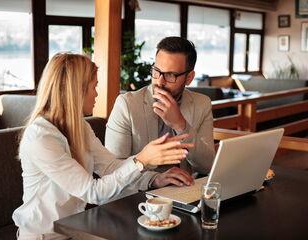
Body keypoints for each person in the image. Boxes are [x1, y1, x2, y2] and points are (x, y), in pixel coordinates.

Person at [12, 53, 192, 239]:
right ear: (77, 90)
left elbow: (111, 167)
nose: (97, 93)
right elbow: (93, 192)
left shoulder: (80, 126)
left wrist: (155, 179)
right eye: (94, 86)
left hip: (74, 229)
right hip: (45, 236)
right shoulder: (41, 138)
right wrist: (141, 160)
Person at [105, 36, 215, 191]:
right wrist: (154, 180)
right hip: (139, 195)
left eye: (170, 75)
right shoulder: (127, 105)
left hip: (183, 193)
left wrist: (181, 125)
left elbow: (208, 165)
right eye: (156, 71)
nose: (160, 82)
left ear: (189, 78)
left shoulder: (201, 104)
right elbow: (112, 169)